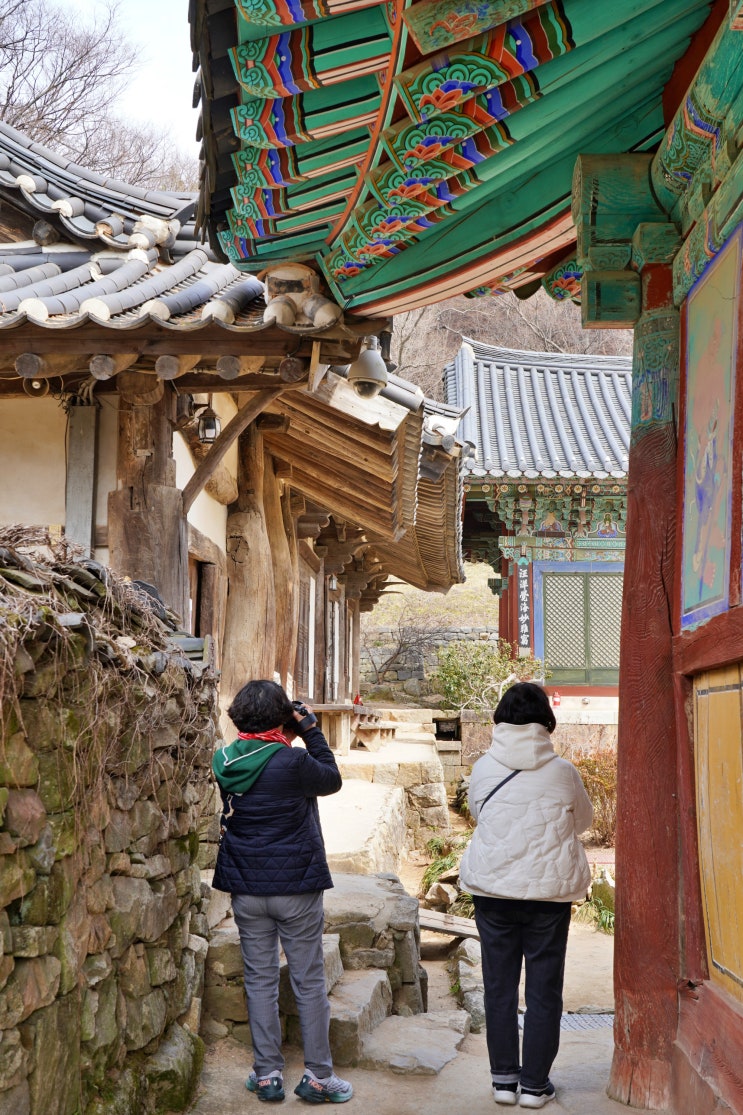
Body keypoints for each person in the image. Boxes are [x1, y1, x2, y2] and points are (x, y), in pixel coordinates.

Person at [212, 679, 353, 1105]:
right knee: (309, 981)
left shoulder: (224, 760)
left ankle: (267, 1074)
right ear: (282, 719)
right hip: (296, 887)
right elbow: (330, 779)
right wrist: (309, 730)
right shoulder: (293, 763)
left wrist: (287, 731)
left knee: (259, 979)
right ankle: (318, 1078)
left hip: (247, 888)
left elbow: (259, 760)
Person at [458, 682, 593, 1110]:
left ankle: (503, 1082)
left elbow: (480, 814)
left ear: (500, 719)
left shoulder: (483, 768)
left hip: (494, 892)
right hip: (549, 897)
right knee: (543, 990)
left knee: (498, 987)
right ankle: (535, 1085)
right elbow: (584, 822)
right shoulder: (563, 772)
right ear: (546, 724)